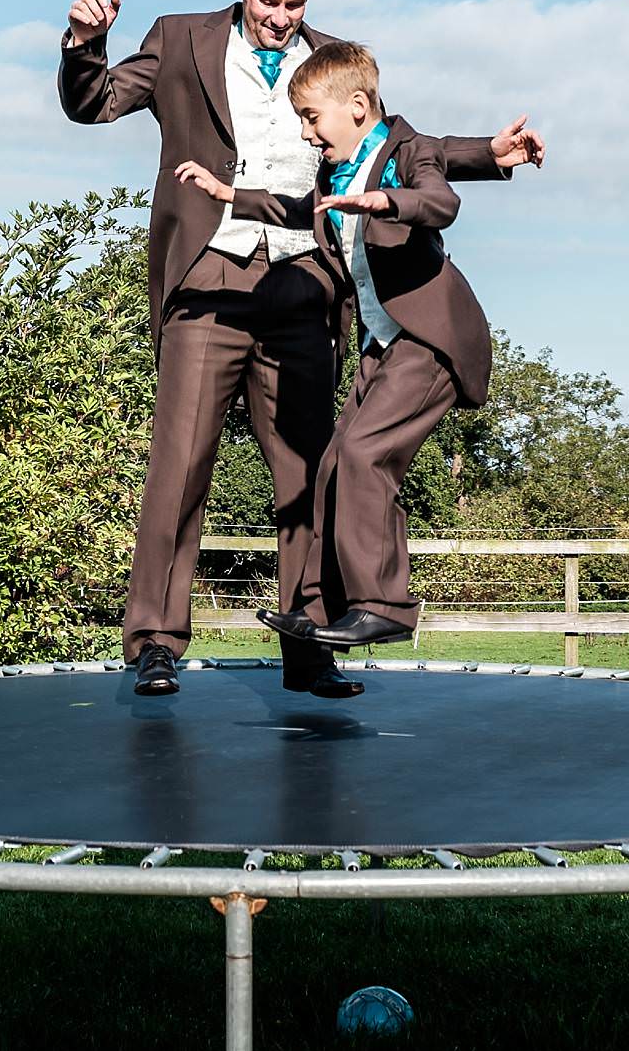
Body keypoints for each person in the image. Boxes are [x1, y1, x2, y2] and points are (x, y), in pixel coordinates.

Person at [59, 0, 542, 698]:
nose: (281, 16)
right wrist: (84, 45)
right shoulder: (180, 40)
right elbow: (96, 103)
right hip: (210, 280)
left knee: (313, 471)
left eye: (296, 2)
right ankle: (155, 639)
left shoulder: (332, 63)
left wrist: (489, 152)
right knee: (179, 466)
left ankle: (310, 642)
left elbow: (398, 144)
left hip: (303, 287)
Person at [175, 40, 493, 651]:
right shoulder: (334, 172)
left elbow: (440, 200)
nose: (305, 133)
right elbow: (302, 209)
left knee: (364, 454)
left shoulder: (405, 151)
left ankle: (386, 606)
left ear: (356, 104)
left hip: (430, 342)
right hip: (383, 344)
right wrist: (228, 196)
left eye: (311, 118)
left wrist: (387, 200)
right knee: (330, 466)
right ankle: (323, 611)